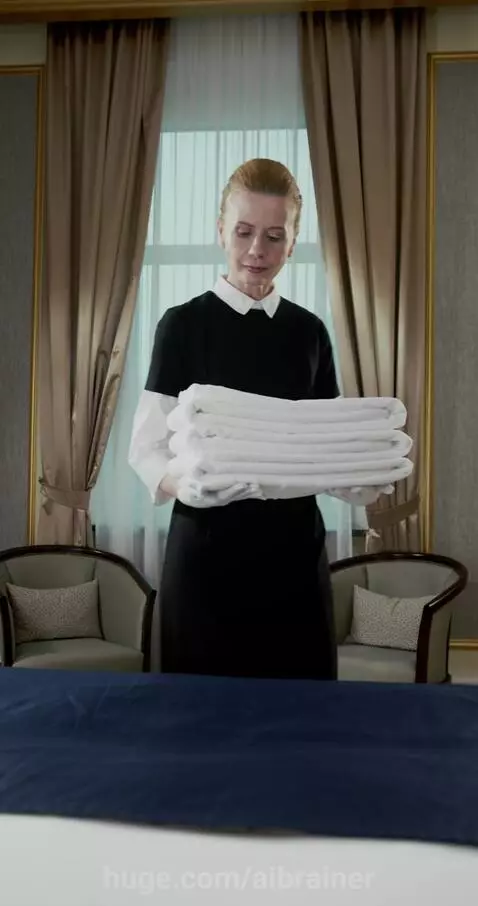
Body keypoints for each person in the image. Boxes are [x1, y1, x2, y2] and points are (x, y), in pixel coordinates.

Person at [129, 159, 345, 680]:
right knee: (200, 734)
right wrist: (190, 484)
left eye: (275, 236)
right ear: (220, 229)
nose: (257, 250)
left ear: (293, 242)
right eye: (244, 232)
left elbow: (329, 441)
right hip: (205, 562)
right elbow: (145, 446)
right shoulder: (182, 325)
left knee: (301, 730)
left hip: (294, 562)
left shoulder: (309, 332)